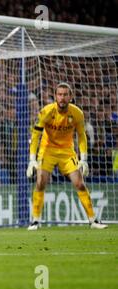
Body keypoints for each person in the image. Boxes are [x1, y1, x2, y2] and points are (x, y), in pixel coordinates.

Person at [26, 82, 107, 230]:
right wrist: (32, 159)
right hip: (47, 149)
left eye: (65, 95)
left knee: (79, 183)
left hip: (67, 151)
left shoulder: (77, 113)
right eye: (59, 94)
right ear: (55, 96)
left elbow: (82, 136)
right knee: (40, 182)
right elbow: (36, 135)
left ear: (70, 96)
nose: (62, 98)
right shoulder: (46, 112)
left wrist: (84, 159)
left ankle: (93, 220)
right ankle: (35, 220)